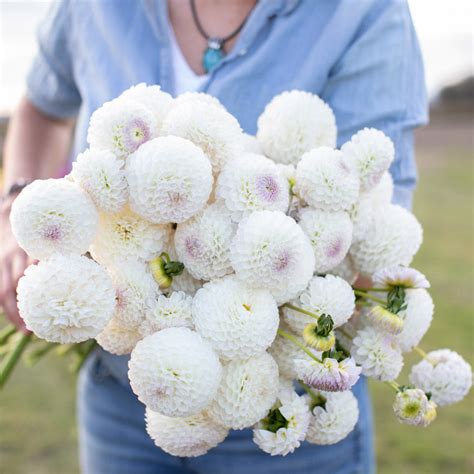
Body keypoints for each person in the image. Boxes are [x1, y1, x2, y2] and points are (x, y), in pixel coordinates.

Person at [0, 1, 427, 473]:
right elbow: (44, 104)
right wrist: (16, 210)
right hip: (121, 391)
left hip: (282, 407)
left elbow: (369, 218)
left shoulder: (361, 12)